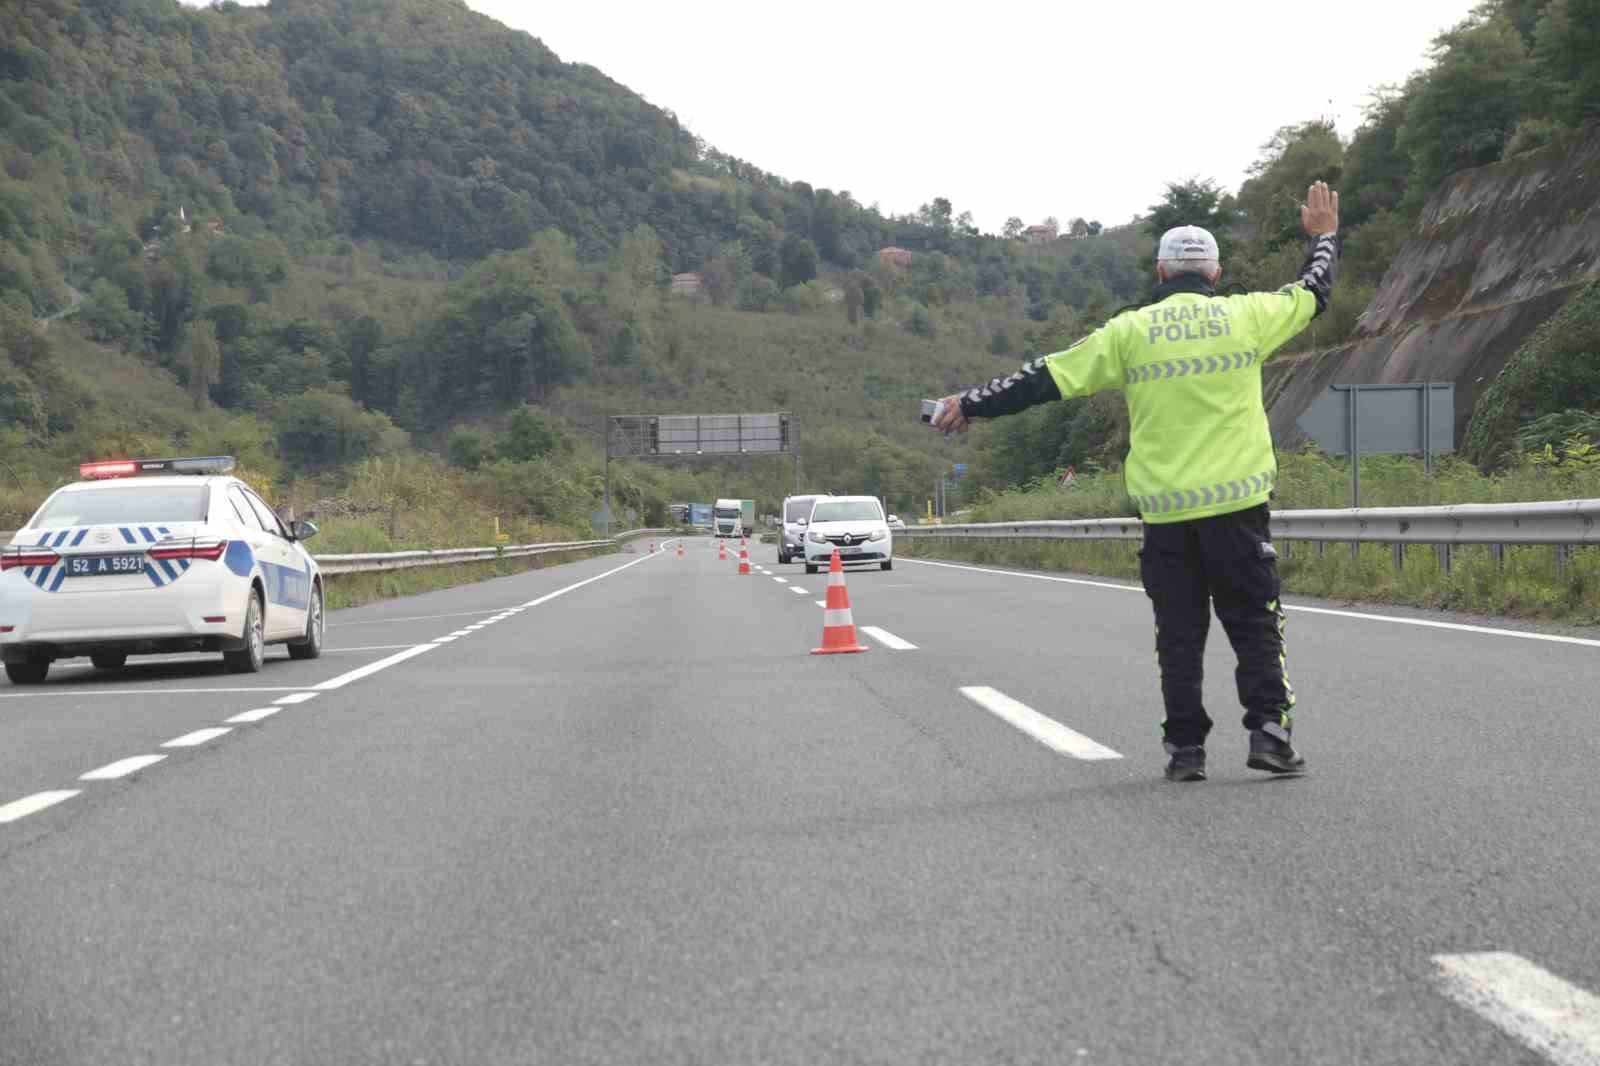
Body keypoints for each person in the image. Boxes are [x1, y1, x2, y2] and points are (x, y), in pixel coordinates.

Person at [932, 181, 1341, 782]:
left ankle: (1185, 752)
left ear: (1160, 272)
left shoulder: (1128, 333)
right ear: (1217, 272)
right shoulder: (1248, 316)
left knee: (1178, 635)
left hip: (1167, 516)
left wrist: (969, 403)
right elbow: (1314, 290)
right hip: (1239, 509)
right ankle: (1271, 734)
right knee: (1255, 622)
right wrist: (1323, 236)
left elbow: (1044, 378)